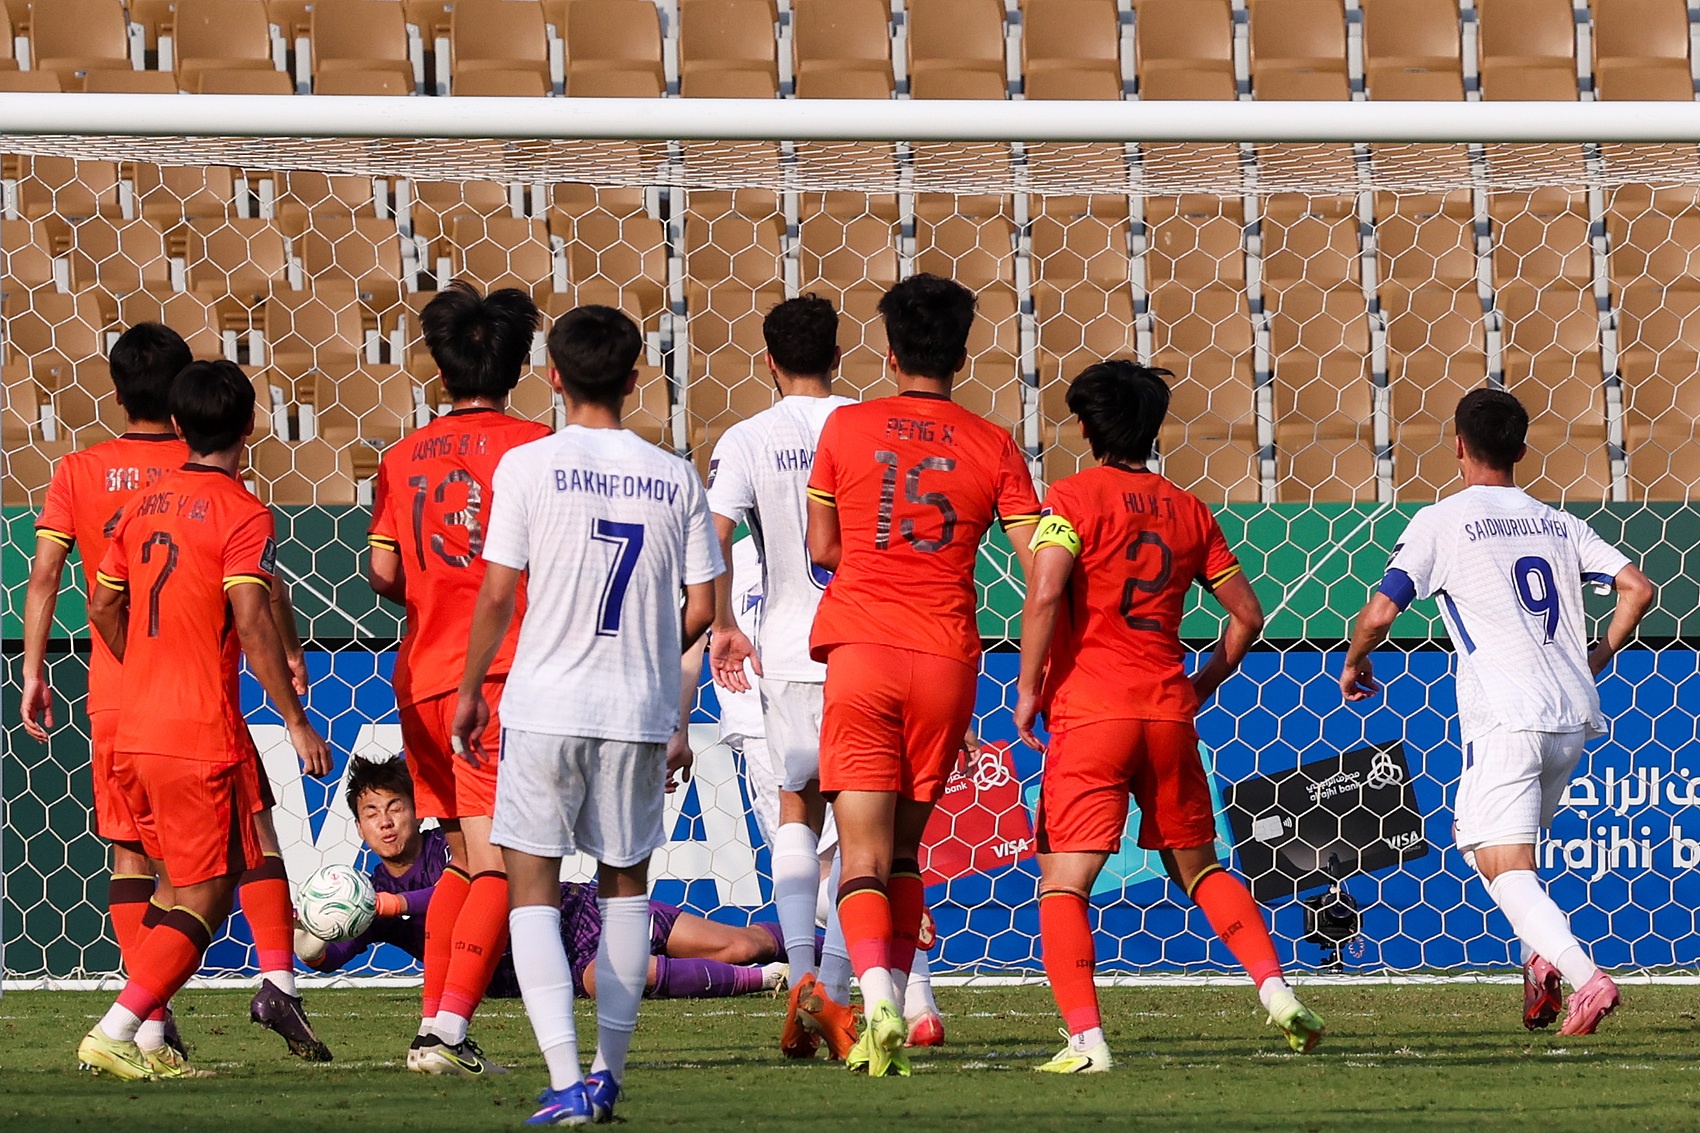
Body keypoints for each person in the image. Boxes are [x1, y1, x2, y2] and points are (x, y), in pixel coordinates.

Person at [23, 324, 329, 1063]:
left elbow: (71, 589)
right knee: (234, 858)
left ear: (117, 388)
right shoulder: (235, 502)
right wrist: (292, 690)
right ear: (245, 423)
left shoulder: (100, 481)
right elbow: (259, 603)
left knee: (139, 862)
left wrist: (51, 669)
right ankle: (176, 1012)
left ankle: (155, 1030)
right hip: (197, 713)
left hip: (122, 703)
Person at [1012, 361, 1324, 1073]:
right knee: (1201, 869)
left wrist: (1028, 687)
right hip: (1167, 713)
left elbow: (1047, 590)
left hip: (1092, 713)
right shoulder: (1190, 511)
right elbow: (1248, 616)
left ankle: (1087, 1041)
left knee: (1063, 883)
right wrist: (1200, 683)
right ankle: (1276, 992)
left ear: (1086, 427)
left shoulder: (1070, 498)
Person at [453, 304, 723, 1125]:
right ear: (636, 377)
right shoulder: (675, 476)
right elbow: (702, 604)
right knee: (625, 888)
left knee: (531, 888)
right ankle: (607, 1073)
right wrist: (646, 658)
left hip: (546, 703)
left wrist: (470, 689)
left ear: (553, 378)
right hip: (635, 708)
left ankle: (566, 1077)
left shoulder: (528, 466)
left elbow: (497, 591)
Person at [1341, 389, 1654, 1037]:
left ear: (1458, 444)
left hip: (1509, 717)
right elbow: (1638, 587)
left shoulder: (1443, 520)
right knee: (1502, 855)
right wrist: (1598, 655)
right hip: (1571, 717)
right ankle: (1540, 960)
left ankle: (1585, 977)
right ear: (1521, 449)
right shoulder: (1557, 522)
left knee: (1500, 864)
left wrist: (1355, 660)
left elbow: (1378, 612)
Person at [804, 274, 1041, 1077]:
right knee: (906, 853)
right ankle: (901, 999)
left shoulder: (846, 426)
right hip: (945, 658)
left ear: (889, 350)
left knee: (860, 855)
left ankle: (876, 1001)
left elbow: (822, 547)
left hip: (862, 650)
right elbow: (1039, 562)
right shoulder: (994, 443)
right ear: (963, 356)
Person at [366, 281, 553, 1075]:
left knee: (460, 858)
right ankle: (446, 1031)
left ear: (440, 372)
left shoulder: (400, 456)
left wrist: (433, 586)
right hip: (499, 674)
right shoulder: (537, 447)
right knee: (505, 861)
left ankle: (434, 1026)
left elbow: (382, 571)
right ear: (520, 366)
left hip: (422, 673)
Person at [295, 758, 788, 1003]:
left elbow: (469, 888)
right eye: (372, 813)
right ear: (358, 827)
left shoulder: (454, 844)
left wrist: (392, 906)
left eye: (395, 808)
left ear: (416, 810)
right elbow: (332, 955)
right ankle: (768, 980)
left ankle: (817, 950)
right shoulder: (368, 894)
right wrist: (308, 936)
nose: (385, 822)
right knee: (607, 979)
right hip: (530, 970)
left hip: (573, 915)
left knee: (741, 944)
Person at [703, 295, 859, 1060]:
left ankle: (803, 979)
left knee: (797, 811)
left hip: (788, 648)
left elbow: (714, 533)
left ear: (768, 361)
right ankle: (836, 991)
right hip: (865, 644)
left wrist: (725, 620)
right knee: (864, 827)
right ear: (840, 354)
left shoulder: (748, 436)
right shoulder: (867, 425)